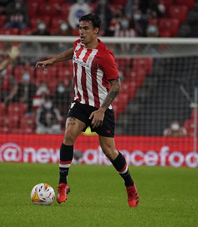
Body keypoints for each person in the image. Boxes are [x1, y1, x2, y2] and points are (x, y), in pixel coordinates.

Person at [35, 14, 139, 207]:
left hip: (101, 106)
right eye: (80, 28)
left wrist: (102, 109)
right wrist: (53, 61)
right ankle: (62, 184)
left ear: (96, 31)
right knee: (69, 135)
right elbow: (72, 52)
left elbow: (116, 85)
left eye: (85, 28)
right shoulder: (78, 45)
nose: (81, 32)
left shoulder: (104, 55)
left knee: (109, 151)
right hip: (80, 103)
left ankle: (130, 186)